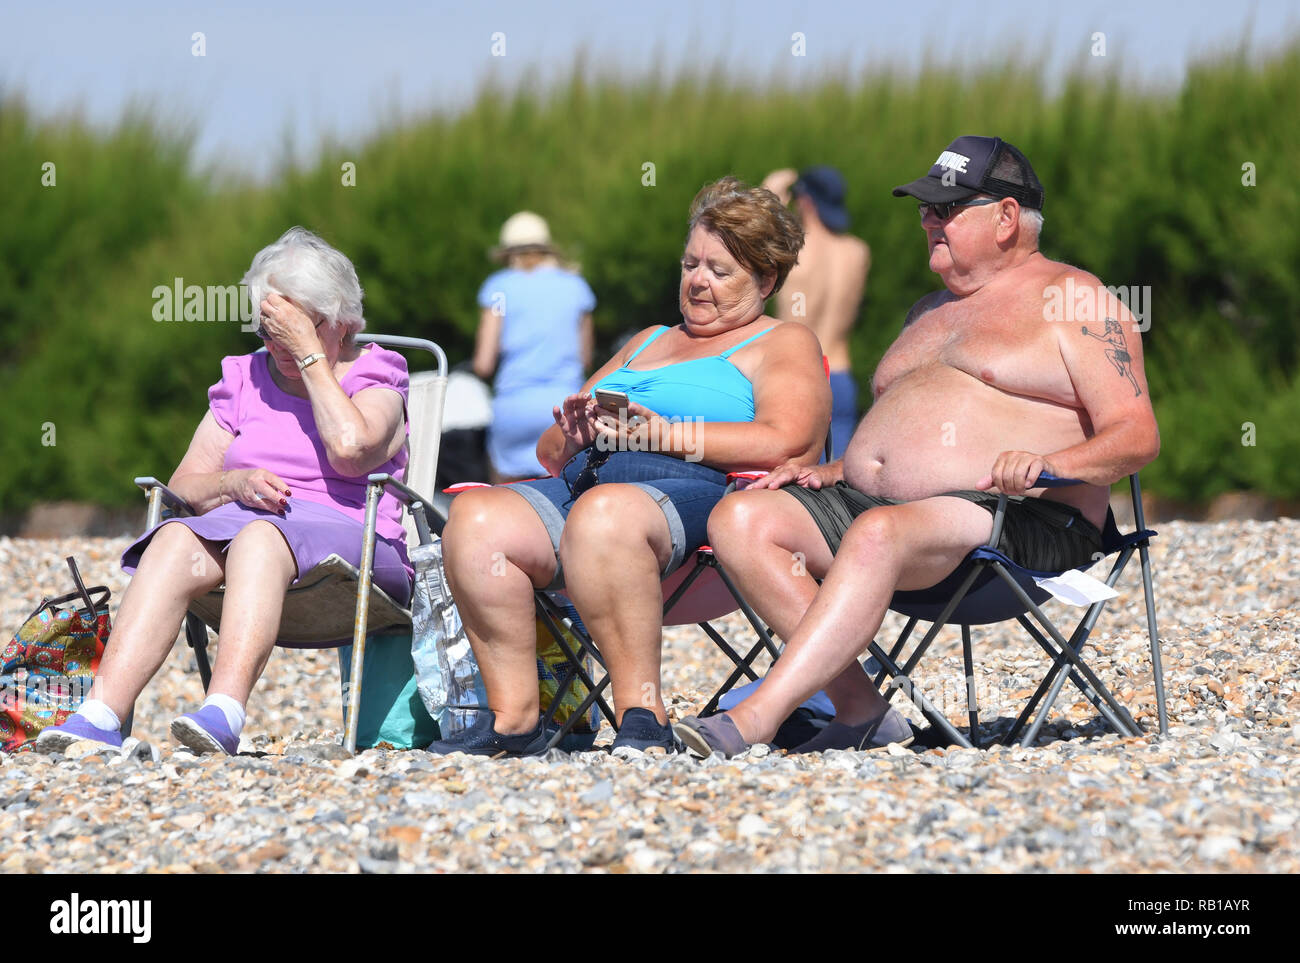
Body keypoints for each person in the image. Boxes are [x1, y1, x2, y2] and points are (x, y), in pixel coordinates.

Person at [676, 136, 1161, 757]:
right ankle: (862, 710)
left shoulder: (1075, 301)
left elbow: (1136, 434)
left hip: (1023, 517)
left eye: (947, 209)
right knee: (742, 517)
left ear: (1006, 217)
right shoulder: (928, 310)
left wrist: (1051, 465)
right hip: (886, 515)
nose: (929, 220)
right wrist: (834, 468)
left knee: (879, 534)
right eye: (926, 208)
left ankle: (757, 718)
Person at [432, 177, 831, 757]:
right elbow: (547, 454)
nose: (697, 281)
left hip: (699, 495)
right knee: (473, 518)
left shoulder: (781, 340)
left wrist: (665, 436)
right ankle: (515, 717)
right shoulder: (647, 340)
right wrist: (573, 433)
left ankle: (642, 714)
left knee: (604, 514)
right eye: (690, 264)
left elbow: (785, 440)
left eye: (719, 271)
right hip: (586, 481)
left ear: (766, 280)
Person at [38, 227, 411, 756]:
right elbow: (185, 484)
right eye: (267, 327)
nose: (277, 342)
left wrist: (310, 358)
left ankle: (225, 711)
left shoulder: (376, 373)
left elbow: (351, 448)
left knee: (261, 536)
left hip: (357, 540)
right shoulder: (244, 379)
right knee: (172, 538)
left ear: (344, 323)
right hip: (247, 527)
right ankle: (101, 713)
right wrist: (231, 483)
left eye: (297, 325)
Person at [474, 211, 596, 482]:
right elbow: (585, 358)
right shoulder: (576, 286)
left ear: (507, 252)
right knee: (560, 500)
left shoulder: (498, 288)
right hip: (565, 408)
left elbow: (484, 363)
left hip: (514, 406)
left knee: (506, 501)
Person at [761, 166, 870, 459]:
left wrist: (772, 197)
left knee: (792, 486)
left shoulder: (792, 253)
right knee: (837, 488)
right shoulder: (857, 252)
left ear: (805, 201)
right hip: (841, 376)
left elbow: (754, 236)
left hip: (799, 373)